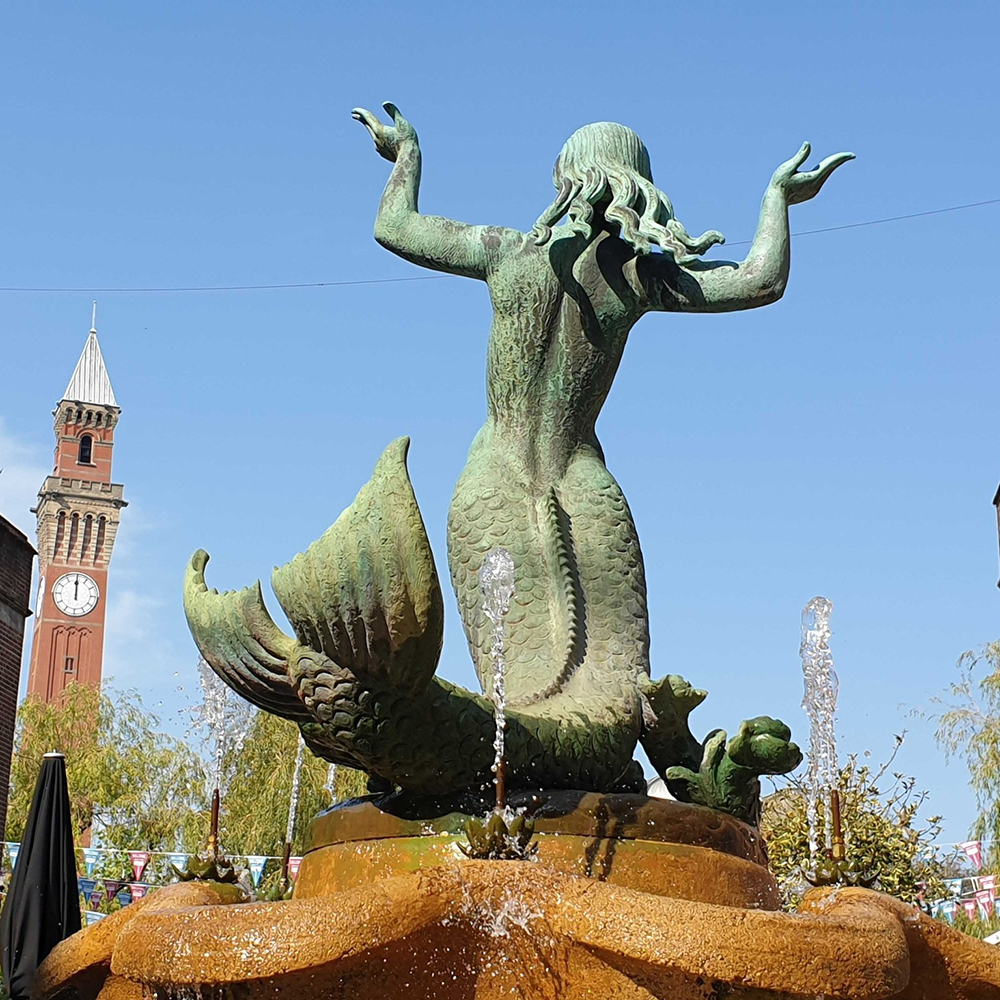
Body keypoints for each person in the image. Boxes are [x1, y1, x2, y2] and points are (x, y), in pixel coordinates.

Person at [353, 103, 852, 726]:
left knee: (518, 706)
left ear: (565, 181)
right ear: (639, 187)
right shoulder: (642, 277)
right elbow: (759, 280)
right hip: (585, 486)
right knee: (611, 699)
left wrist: (407, 156)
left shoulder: (505, 252)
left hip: (493, 482)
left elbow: (394, 226)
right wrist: (776, 198)